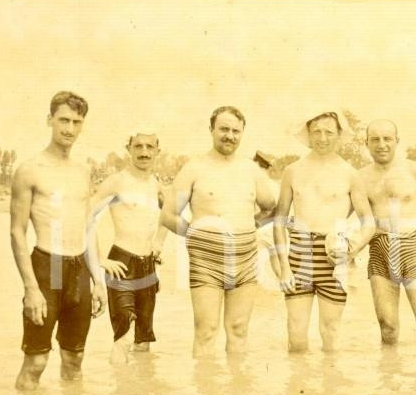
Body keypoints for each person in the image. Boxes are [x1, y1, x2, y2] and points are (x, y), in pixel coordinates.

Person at [161, 106, 277, 357]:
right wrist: (196, 233)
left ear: (242, 133)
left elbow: (271, 207)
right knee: (206, 330)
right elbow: (168, 215)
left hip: (245, 259)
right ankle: (206, 393)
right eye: (224, 129)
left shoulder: (251, 170)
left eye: (236, 131)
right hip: (206, 261)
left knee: (238, 329)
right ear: (211, 129)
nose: (230, 136)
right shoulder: (194, 168)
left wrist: (250, 227)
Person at [10, 91, 106, 390]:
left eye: (77, 122)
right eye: (63, 120)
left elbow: (88, 228)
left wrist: (99, 280)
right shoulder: (30, 170)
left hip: (79, 271)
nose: (70, 129)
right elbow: (16, 232)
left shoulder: (82, 171)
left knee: (74, 361)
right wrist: (30, 288)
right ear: (49, 120)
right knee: (36, 362)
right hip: (45, 267)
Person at [273, 110, 375, 352]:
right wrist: (284, 268)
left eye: (329, 132)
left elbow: (369, 222)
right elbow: (279, 222)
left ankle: (331, 387)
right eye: (316, 131)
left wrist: (352, 250)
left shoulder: (350, 174)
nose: (323, 137)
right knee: (296, 334)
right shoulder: (292, 171)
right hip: (299, 256)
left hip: (335, 258)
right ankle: (298, 386)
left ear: (339, 134)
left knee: (330, 334)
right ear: (307, 133)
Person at [359, 120, 416, 352]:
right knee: (387, 329)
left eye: (387, 138)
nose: (381, 144)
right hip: (379, 248)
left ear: (397, 141)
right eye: (375, 139)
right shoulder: (359, 178)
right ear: (366, 143)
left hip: (412, 245)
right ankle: (390, 381)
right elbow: (343, 214)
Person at [89, 132, 168, 365]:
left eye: (149, 147)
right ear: (129, 149)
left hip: (148, 266)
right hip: (121, 264)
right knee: (122, 337)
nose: (144, 152)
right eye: (138, 146)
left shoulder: (156, 185)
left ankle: (137, 393)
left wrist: (159, 243)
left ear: (157, 151)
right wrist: (100, 258)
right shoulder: (116, 182)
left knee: (143, 341)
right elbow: (87, 217)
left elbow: (170, 214)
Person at [253, 150, 282, 283]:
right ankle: (283, 281)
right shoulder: (275, 185)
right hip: (274, 227)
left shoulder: (254, 184)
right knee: (276, 259)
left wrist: (256, 222)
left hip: (258, 226)